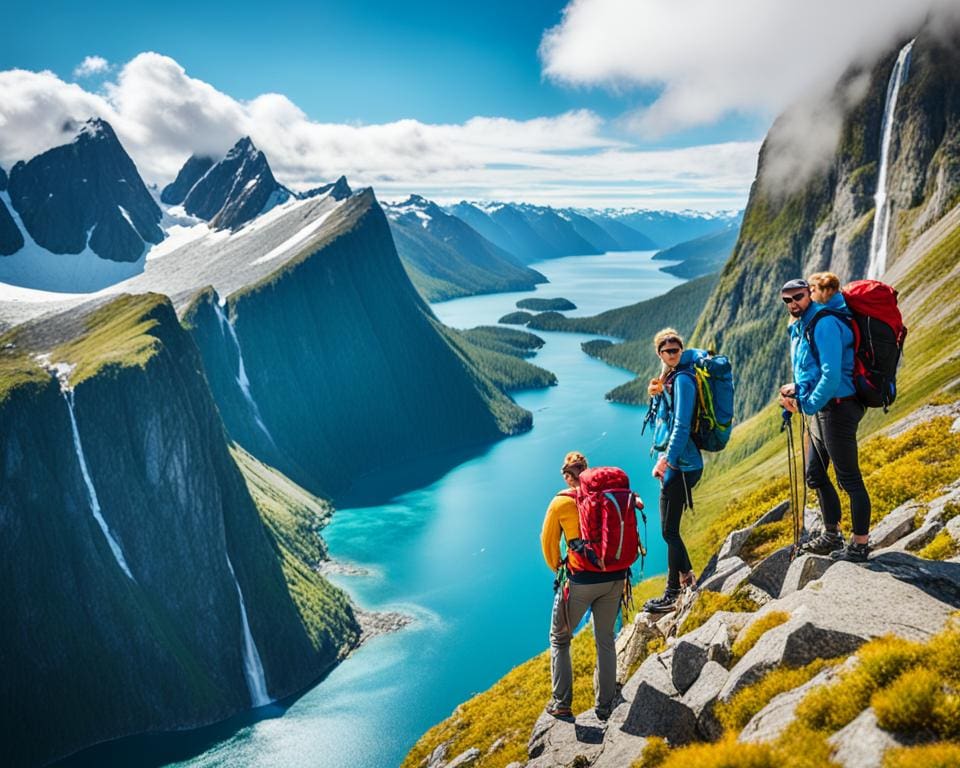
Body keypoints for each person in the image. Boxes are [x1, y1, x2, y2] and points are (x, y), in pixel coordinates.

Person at [777, 274, 872, 562]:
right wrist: (797, 388)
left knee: (849, 479)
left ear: (810, 294)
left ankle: (860, 544)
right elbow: (814, 370)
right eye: (787, 300)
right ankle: (832, 535)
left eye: (798, 297)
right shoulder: (804, 323)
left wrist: (806, 404)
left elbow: (831, 375)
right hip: (822, 407)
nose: (793, 303)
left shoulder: (825, 322)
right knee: (815, 474)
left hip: (838, 407)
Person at [541, 451, 623, 721]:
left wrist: (560, 568)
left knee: (560, 639)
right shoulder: (607, 493)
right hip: (614, 578)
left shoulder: (560, 503)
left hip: (579, 582)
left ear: (567, 476)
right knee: (605, 640)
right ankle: (605, 704)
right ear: (586, 470)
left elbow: (549, 545)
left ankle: (561, 702)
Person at [643, 328, 703, 613]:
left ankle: (673, 591)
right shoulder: (668, 378)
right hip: (677, 463)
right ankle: (684, 579)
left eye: (676, 349)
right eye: (668, 351)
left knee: (668, 531)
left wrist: (665, 459)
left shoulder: (683, 380)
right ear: (659, 354)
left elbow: (680, 426)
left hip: (681, 464)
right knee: (670, 529)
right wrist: (656, 394)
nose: (673, 354)